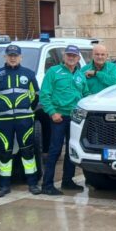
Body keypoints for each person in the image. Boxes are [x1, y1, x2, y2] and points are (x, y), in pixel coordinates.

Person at [0, 45, 42, 196]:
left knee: (27, 152)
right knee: (4, 152)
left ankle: (32, 184)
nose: (13, 58)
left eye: (15, 55)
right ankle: (4, 185)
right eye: (10, 55)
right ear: (4, 57)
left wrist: (27, 111)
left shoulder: (29, 74)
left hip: (24, 120)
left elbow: (36, 96)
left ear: (21, 57)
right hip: (4, 121)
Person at [40, 45, 87, 195]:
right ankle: (47, 185)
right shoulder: (54, 72)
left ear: (78, 58)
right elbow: (44, 95)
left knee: (71, 151)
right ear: (64, 57)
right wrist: (53, 113)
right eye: (69, 55)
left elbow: (85, 96)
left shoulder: (80, 76)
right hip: (59, 117)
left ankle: (68, 181)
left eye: (74, 55)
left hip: (75, 118)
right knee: (55, 150)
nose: (71, 58)